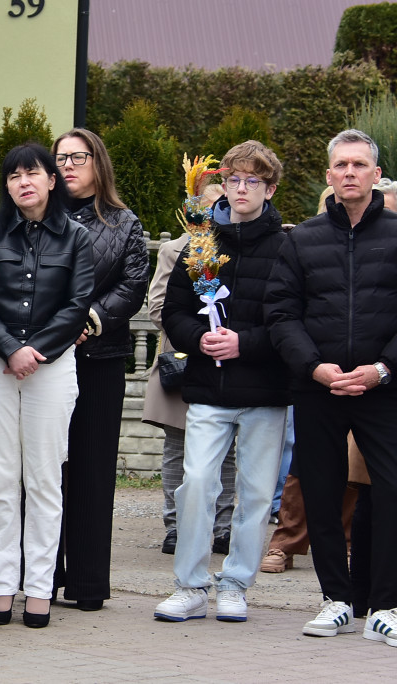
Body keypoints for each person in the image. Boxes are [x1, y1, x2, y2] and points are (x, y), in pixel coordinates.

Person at [265, 129, 397, 644]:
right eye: (341, 165)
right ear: (328, 176)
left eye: (359, 165)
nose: (349, 173)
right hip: (318, 388)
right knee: (320, 495)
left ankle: (385, 604)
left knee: (390, 491)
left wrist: (382, 370)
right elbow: (281, 313)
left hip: (382, 390)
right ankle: (336, 600)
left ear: (376, 174)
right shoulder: (303, 239)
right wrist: (314, 367)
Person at [154, 140, 289, 623]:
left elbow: (291, 318)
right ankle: (189, 585)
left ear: (269, 188)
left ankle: (235, 584)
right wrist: (198, 339)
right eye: (233, 179)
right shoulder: (200, 243)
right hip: (208, 389)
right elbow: (173, 310)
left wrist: (244, 344)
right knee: (197, 485)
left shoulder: (287, 246)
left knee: (254, 493)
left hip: (266, 392)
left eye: (253, 180)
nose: (241, 188)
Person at [0, 143, 94, 628]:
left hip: (52, 365)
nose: (24, 182)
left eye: (33, 173)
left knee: (43, 478)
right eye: (14, 175)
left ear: (51, 180)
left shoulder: (77, 237)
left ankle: (39, 588)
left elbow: (78, 303)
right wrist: (9, 349)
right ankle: (2, 584)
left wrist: (35, 350)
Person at [51, 129, 149, 611]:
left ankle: (88, 585)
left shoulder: (124, 222)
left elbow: (133, 285)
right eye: (60, 158)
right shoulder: (35, 218)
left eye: (78, 157)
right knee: (46, 470)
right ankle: (41, 578)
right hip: (43, 362)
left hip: (98, 359)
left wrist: (90, 319)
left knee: (90, 471)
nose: (68, 165)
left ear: (98, 163)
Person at [143, 194, 236, 557]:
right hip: (183, 361)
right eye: (207, 203)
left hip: (227, 362)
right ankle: (175, 526)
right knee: (177, 449)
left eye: (221, 201)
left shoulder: (236, 247)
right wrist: (197, 331)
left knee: (226, 452)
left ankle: (222, 527)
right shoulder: (175, 249)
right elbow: (158, 308)